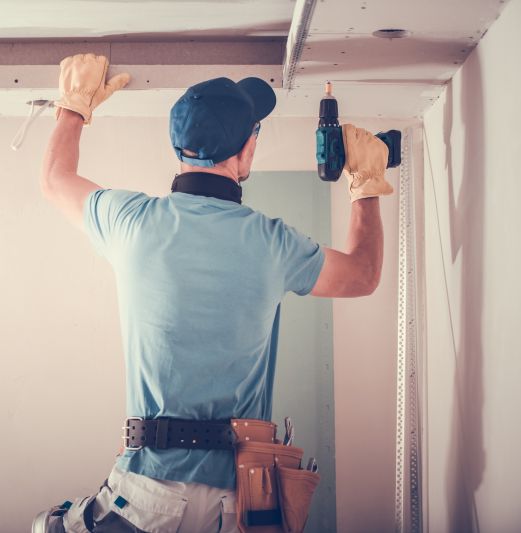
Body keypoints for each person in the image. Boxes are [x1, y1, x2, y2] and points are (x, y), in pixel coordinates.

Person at [33, 54, 392, 533]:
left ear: (178, 148)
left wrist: (74, 107)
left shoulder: (130, 222)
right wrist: (366, 184)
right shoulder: (273, 243)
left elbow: (54, 178)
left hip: (146, 493)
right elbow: (363, 274)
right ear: (248, 147)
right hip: (239, 502)